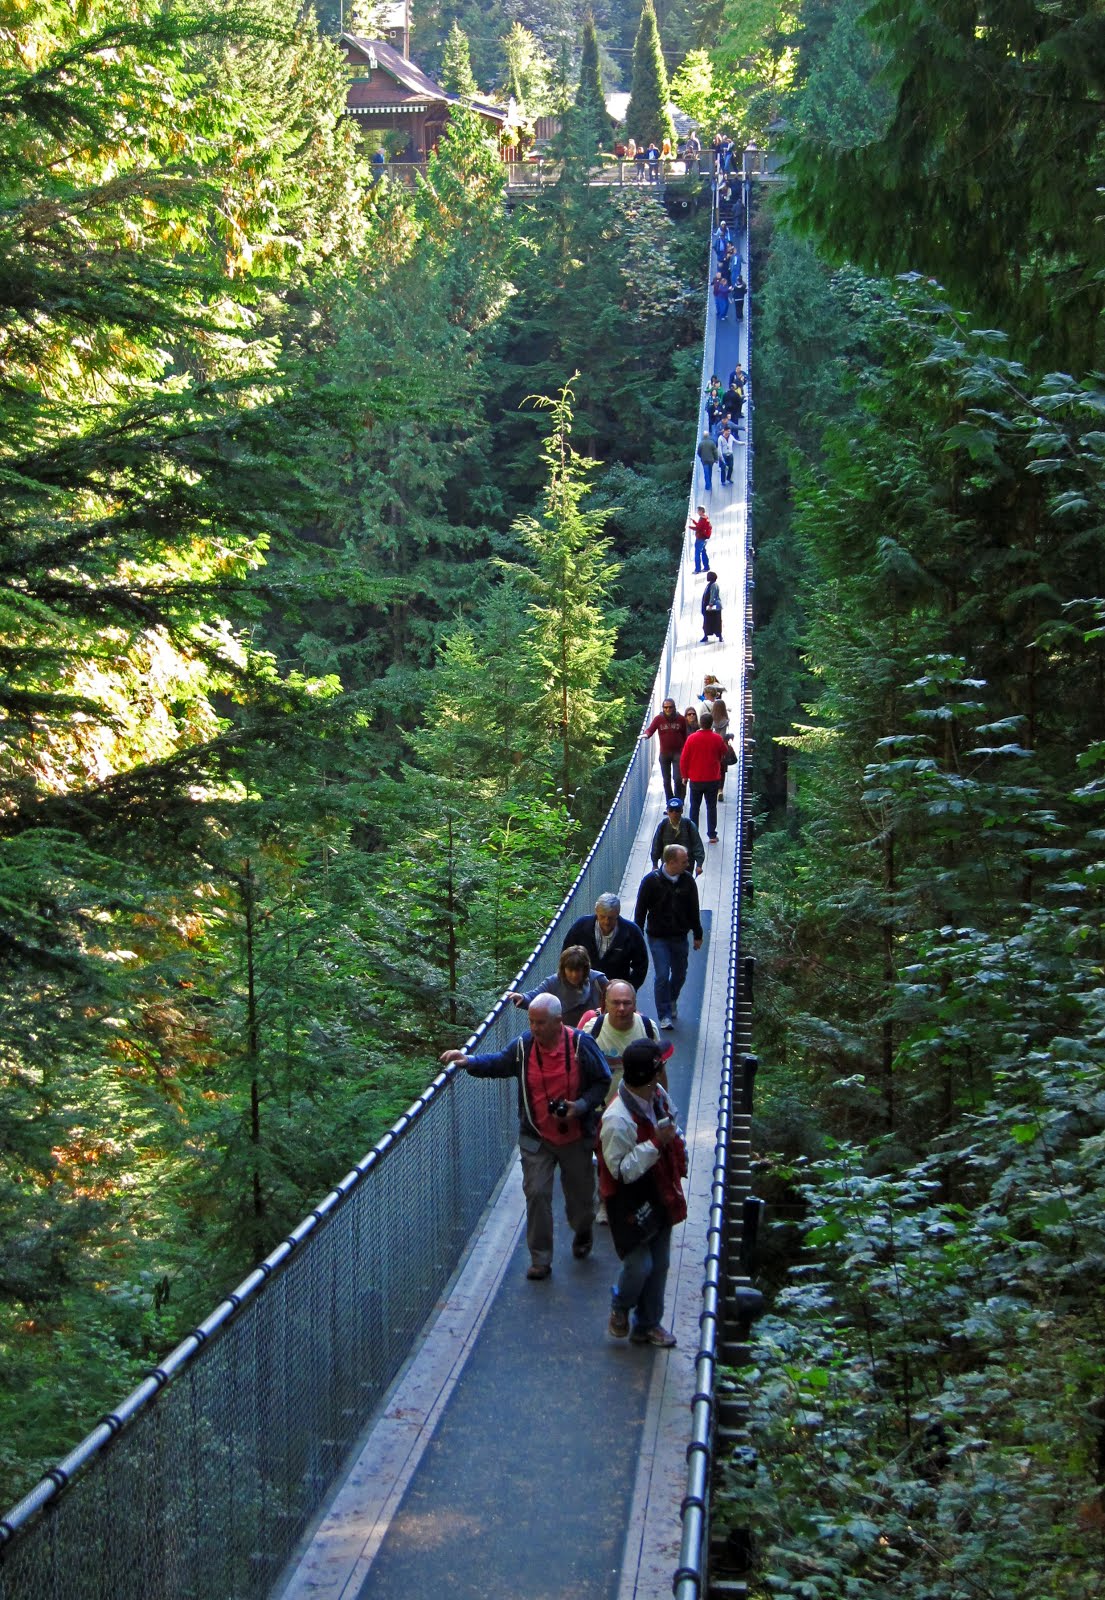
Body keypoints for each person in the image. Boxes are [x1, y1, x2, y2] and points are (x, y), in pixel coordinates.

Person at [440, 995, 610, 1279]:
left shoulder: (581, 1044)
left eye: (540, 1023)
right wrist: (468, 1061)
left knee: (581, 1201)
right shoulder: (524, 1046)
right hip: (537, 1136)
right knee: (536, 1193)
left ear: (558, 1022)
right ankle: (540, 1259)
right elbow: (499, 1063)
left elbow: (602, 1080)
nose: (534, 1028)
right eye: (531, 1021)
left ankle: (583, 1230)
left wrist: (580, 1107)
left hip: (576, 1135)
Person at [601, 1038, 687, 1346]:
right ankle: (621, 1306)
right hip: (629, 1202)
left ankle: (648, 1325)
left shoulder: (657, 1095)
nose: (664, 1070)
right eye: (660, 1066)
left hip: (660, 1189)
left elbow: (672, 1125)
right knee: (640, 1265)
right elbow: (619, 1171)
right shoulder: (617, 1119)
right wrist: (656, 1144)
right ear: (650, 1075)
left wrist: (677, 1149)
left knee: (660, 1263)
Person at [633, 844, 703, 1029]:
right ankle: (664, 1014)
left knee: (680, 974)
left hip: (679, 936)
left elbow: (694, 909)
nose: (688, 864)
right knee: (662, 974)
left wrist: (698, 934)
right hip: (658, 936)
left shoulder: (687, 881)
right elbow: (640, 910)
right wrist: (637, 935)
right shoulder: (651, 881)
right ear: (671, 862)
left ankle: (671, 999)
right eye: (684, 861)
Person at [581, 979, 669, 1102]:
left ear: (634, 1004)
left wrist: (664, 1103)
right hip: (600, 1108)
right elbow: (581, 1070)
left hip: (639, 1108)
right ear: (606, 1004)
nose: (621, 1008)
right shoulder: (591, 1030)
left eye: (626, 1003)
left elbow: (659, 1070)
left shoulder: (648, 1028)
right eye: (616, 1003)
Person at [561, 893, 649, 991]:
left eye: (611, 918)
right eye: (602, 917)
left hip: (616, 991)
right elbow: (566, 955)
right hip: (584, 988)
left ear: (618, 913)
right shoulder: (581, 927)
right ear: (596, 912)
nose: (606, 922)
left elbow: (641, 965)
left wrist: (628, 988)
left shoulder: (631, 931)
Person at [509, 944, 607, 1026]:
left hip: (594, 1031)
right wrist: (522, 998)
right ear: (563, 969)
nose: (574, 975)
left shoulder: (597, 980)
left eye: (578, 970)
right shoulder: (553, 982)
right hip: (567, 1036)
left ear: (585, 969)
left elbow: (612, 996)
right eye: (570, 970)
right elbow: (536, 997)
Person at [680, 716, 728, 842]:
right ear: (711, 723)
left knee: (694, 807)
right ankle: (712, 835)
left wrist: (684, 776)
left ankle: (693, 835)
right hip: (712, 778)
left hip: (696, 779)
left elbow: (684, 759)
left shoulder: (691, 738)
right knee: (711, 807)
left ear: (700, 723)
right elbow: (724, 751)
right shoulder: (717, 738)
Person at [643, 697, 689, 804]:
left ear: (674, 707)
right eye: (665, 707)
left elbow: (685, 735)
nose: (668, 709)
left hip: (678, 753)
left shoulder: (681, 719)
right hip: (664, 754)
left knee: (678, 779)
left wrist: (687, 751)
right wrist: (646, 734)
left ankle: (678, 802)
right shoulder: (658, 719)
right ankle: (670, 802)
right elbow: (651, 729)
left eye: (670, 707)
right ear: (663, 708)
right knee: (666, 781)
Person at [650, 795, 705, 875]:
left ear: (682, 811)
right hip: (668, 866)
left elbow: (697, 845)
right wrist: (655, 864)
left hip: (686, 867)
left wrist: (699, 864)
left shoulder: (689, 825)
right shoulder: (663, 825)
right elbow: (656, 845)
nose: (674, 813)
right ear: (667, 811)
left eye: (677, 810)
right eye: (671, 810)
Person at [707, 696, 735, 800]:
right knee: (722, 769)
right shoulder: (725, 720)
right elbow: (722, 736)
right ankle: (720, 790)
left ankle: (712, 788)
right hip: (722, 747)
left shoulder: (709, 720)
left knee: (712, 768)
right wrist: (729, 736)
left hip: (710, 746)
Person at [688, 504, 712, 573]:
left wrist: (689, 527)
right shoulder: (705, 517)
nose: (697, 512)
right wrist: (693, 521)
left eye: (698, 510)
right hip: (704, 538)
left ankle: (697, 569)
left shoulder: (702, 519)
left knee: (697, 553)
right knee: (703, 552)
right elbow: (700, 526)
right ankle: (706, 567)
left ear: (701, 511)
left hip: (700, 538)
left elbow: (698, 528)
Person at [701, 570, 723, 643]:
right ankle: (706, 635)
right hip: (709, 607)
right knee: (707, 622)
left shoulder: (713, 585)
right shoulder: (709, 585)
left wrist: (710, 604)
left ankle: (720, 636)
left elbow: (713, 595)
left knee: (716, 621)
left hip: (713, 607)